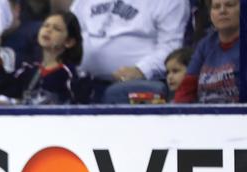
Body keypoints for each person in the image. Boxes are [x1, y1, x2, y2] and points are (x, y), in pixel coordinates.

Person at [59, 0, 190, 103]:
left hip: (135, 87)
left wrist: (141, 70)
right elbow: (70, 30)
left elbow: (172, 47)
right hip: (82, 83)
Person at [0, 11, 83, 104]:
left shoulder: (69, 75)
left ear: (69, 42)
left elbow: (76, 108)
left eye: (57, 29)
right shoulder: (29, 69)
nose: (48, 30)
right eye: (45, 25)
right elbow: (4, 87)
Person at [174, 0, 240, 103]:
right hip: (204, 115)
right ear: (210, 14)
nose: (222, 11)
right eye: (216, 7)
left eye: (229, 5)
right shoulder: (205, 45)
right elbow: (186, 91)